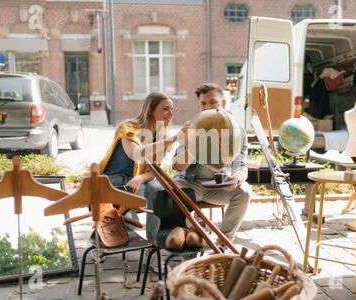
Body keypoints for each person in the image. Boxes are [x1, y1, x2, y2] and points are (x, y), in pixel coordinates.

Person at [171, 82, 252, 244]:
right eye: (203, 103)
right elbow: (178, 166)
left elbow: (241, 166)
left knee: (245, 191)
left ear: (223, 103)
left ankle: (224, 240)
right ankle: (190, 235)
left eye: (213, 102)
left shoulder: (236, 129)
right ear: (199, 105)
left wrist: (236, 180)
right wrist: (193, 143)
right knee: (172, 192)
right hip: (190, 183)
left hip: (219, 186)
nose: (207, 107)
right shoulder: (191, 126)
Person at [98, 91, 186, 234]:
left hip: (136, 186)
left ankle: (154, 241)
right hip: (112, 184)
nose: (170, 114)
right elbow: (136, 154)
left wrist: (140, 177)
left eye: (172, 109)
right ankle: (112, 228)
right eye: (165, 109)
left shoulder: (162, 136)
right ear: (150, 110)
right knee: (130, 226)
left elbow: (154, 171)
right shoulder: (128, 128)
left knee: (161, 192)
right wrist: (172, 140)